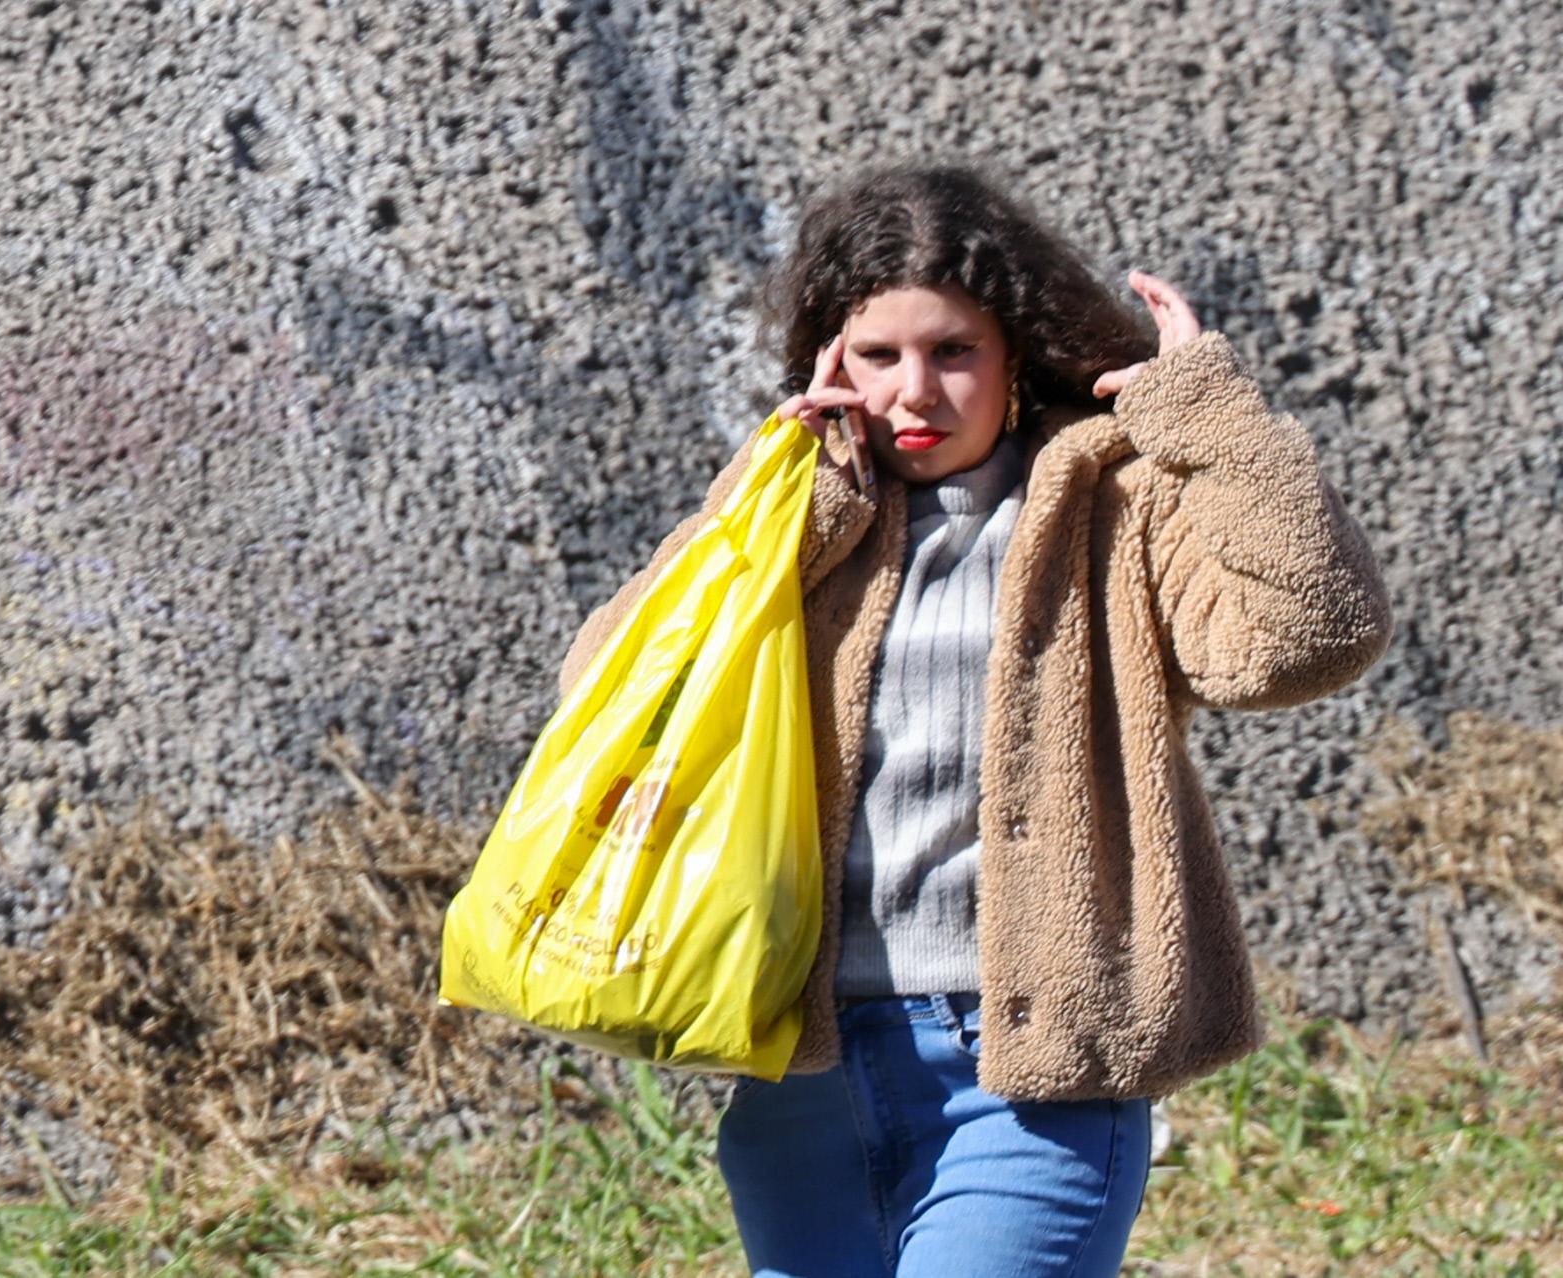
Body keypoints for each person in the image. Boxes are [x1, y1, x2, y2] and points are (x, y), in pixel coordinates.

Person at [554, 164, 1392, 1277]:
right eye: (878, 356)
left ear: (1015, 355)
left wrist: (1212, 423)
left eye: (953, 353)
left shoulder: (1112, 511)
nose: (914, 394)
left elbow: (1305, 636)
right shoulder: (803, 528)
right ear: (828, 362)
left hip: (1029, 1079)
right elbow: (608, 691)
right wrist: (770, 505)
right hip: (804, 1082)